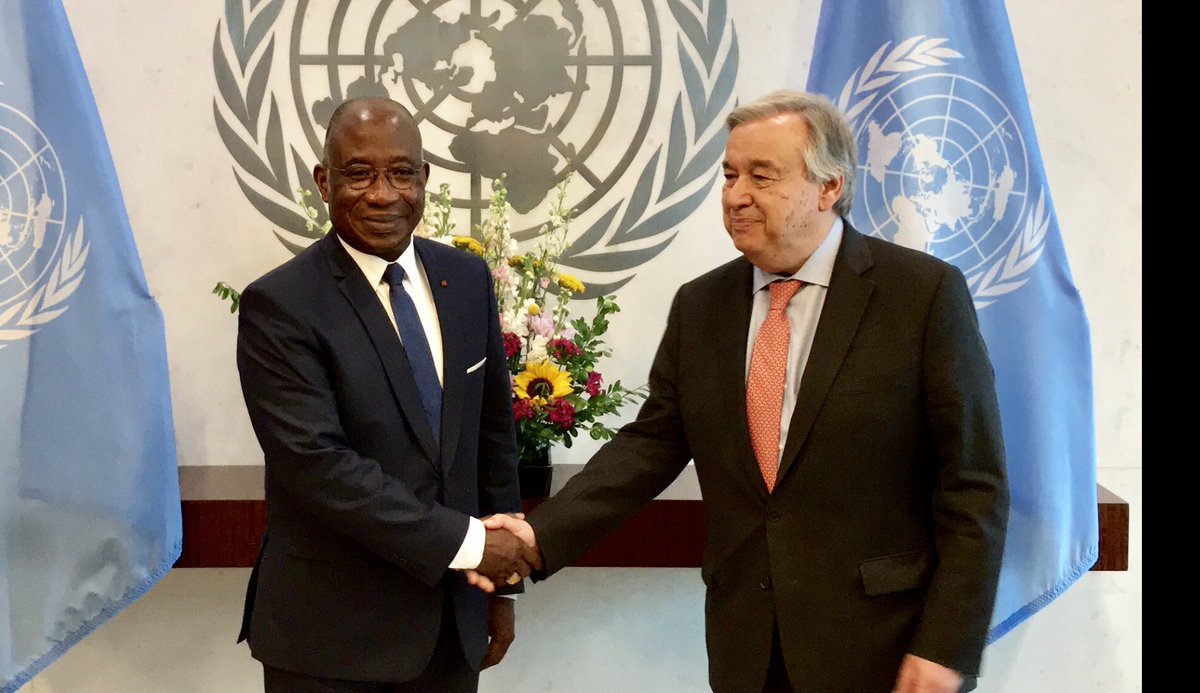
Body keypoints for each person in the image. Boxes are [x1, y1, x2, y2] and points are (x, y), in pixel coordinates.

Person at [479, 90, 1009, 693]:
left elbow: (974, 486)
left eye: (762, 176)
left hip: (883, 647)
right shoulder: (702, 306)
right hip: (748, 646)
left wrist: (945, 646)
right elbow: (650, 446)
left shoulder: (922, 295)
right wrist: (537, 536)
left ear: (829, 187)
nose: (735, 196)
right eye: (730, 175)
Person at [235, 96, 538, 692]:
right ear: (324, 182)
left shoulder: (466, 280)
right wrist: (472, 545)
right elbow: (319, 468)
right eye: (359, 174)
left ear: (424, 178)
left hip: (451, 629)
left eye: (401, 173)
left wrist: (501, 589)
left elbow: (492, 438)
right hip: (330, 642)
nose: (382, 194)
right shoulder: (281, 305)